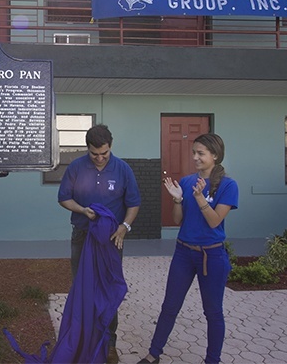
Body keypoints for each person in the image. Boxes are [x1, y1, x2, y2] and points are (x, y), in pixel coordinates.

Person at [138, 133, 239, 364]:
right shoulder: (186, 181)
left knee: (213, 312)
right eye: (194, 152)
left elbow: (215, 222)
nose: (195, 157)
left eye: (200, 153)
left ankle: (212, 360)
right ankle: (154, 354)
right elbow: (177, 220)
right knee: (170, 306)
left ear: (215, 155)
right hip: (183, 253)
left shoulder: (228, 185)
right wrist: (176, 200)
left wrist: (200, 198)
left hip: (211, 256)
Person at [58, 124, 140, 364]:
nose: (100, 158)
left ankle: (109, 344)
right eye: (95, 154)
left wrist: (124, 227)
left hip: (111, 240)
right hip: (82, 237)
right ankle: (82, 341)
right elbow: (63, 198)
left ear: (110, 146)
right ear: (88, 149)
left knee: (108, 290)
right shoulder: (76, 167)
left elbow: (133, 204)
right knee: (83, 289)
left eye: (104, 153)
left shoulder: (123, 169)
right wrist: (83, 210)